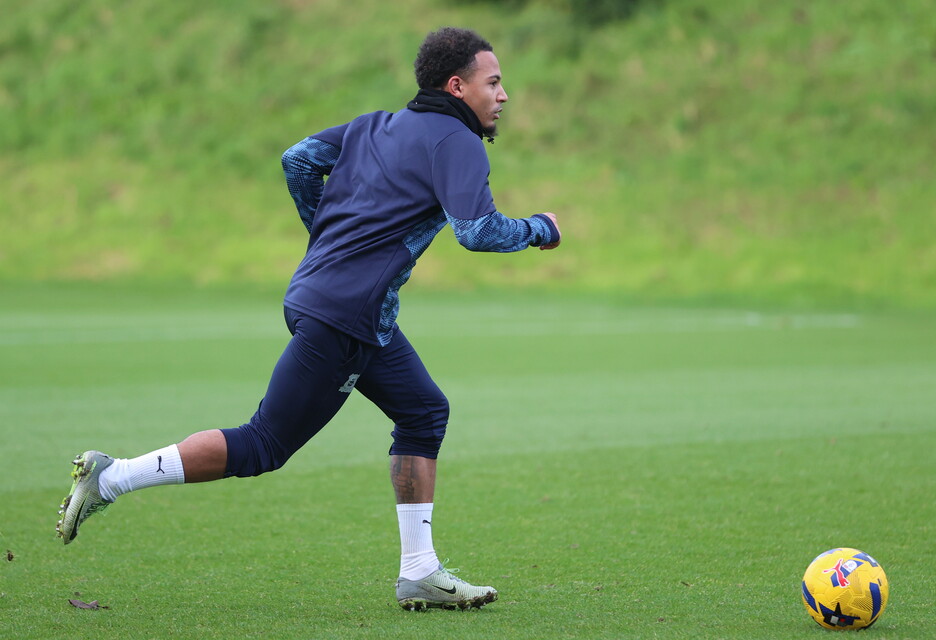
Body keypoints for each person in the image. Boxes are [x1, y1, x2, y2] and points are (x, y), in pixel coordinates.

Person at [56, 26, 561, 611]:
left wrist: (327, 236)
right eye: (493, 82)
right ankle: (112, 477)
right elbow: (477, 231)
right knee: (264, 444)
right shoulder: (457, 141)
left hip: (343, 306)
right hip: (346, 314)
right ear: (457, 86)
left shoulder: (377, 125)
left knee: (424, 411)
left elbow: (298, 159)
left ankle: (420, 571)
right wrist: (541, 229)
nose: (503, 95)